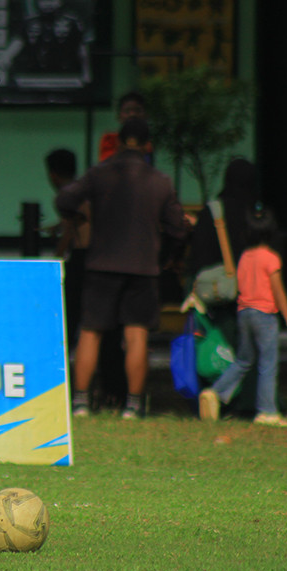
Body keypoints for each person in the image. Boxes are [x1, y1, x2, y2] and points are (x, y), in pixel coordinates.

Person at [56, 116, 188, 419]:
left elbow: (65, 198)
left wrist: (76, 216)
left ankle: (80, 403)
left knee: (90, 332)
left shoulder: (99, 175)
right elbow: (178, 228)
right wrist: (168, 256)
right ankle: (133, 404)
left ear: (116, 142)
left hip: (101, 263)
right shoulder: (161, 182)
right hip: (143, 267)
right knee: (136, 335)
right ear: (148, 145)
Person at [198, 208, 287, 426]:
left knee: (244, 360)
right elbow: (278, 290)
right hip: (265, 315)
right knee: (267, 363)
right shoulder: (271, 258)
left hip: (244, 313)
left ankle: (215, 392)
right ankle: (267, 411)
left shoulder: (244, 256)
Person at [45, 148, 89, 347]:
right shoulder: (84, 191)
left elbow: (71, 228)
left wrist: (56, 257)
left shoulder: (65, 196)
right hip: (97, 254)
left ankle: (67, 346)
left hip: (80, 256)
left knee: (71, 309)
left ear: (52, 174)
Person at [98, 91, 153, 163]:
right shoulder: (110, 139)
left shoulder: (148, 142)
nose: (132, 114)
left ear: (146, 115)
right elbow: (106, 166)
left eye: (138, 110)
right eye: (127, 111)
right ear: (119, 116)